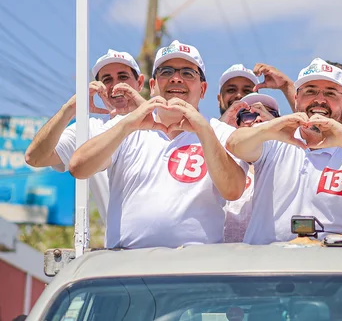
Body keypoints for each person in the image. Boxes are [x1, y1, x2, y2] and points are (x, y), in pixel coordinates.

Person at [69, 40, 248, 249]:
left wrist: (204, 132)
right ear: (153, 86)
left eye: (188, 73)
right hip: (129, 265)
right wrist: (129, 124)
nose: (176, 79)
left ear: (203, 89)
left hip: (198, 268)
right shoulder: (127, 126)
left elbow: (233, 190)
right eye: (166, 72)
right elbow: (79, 167)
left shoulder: (220, 132)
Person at [226, 58, 342, 244]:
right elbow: (235, 144)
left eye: (330, 93)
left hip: (329, 266)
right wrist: (271, 128)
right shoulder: (274, 139)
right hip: (269, 264)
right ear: (296, 99)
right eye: (310, 91)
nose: (319, 100)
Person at [25, 49, 145, 224]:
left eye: (123, 77)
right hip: (121, 246)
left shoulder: (160, 121)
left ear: (140, 83)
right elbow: (35, 158)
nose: (117, 85)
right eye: (107, 80)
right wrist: (70, 109)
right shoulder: (90, 128)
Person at [224, 92, 280, 243]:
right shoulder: (225, 163)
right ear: (237, 123)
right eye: (248, 115)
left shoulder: (291, 162)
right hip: (225, 257)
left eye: (268, 113)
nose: (259, 118)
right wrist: (222, 125)